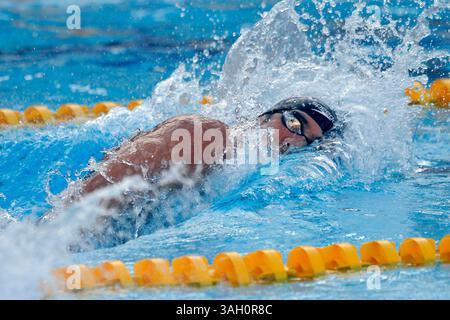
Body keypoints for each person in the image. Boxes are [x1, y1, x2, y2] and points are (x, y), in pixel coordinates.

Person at [82, 96, 338, 194]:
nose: (293, 140)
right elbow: (98, 188)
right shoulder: (206, 133)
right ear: (267, 115)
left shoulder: (245, 170)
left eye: (306, 141)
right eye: (294, 124)